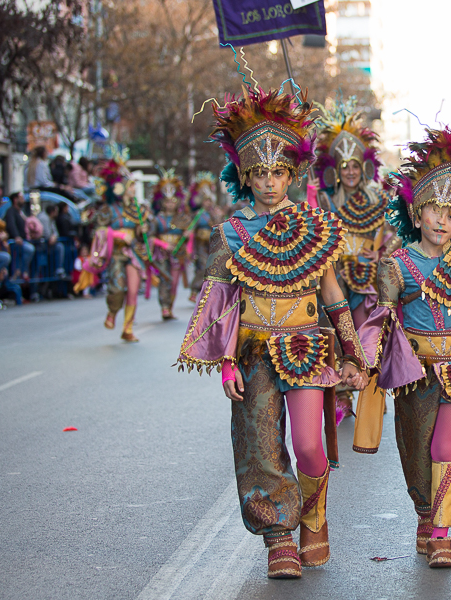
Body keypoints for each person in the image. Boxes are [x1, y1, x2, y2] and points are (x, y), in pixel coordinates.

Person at [176, 84, 368, 580]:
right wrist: (224, 364)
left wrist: (353, 355)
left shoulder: (316, 226)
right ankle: (279, 538)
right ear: (244, 175)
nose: (268, 183)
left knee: (308, 446)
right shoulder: (232, 235)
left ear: (292, 174)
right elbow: (219, 303)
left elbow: (334, 297)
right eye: (258, 173)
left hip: (306, 346)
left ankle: (312, 514)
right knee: (261, 449)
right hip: (253, 353)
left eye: (277, 172)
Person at [358, 125, 451, 568]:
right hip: (413, 374)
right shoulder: (395, 266)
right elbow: (380, 321)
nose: (443, 221)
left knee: (445, 450)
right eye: (435, 211)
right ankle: (425, 514)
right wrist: (360, 364)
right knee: (417, 457)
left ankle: (441, 535)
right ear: (417, 212)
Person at [310, 99, 392, 424]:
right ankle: (341, 395)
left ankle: (372, 388)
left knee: (367, 332)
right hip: (335, 274)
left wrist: (382, 251)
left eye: (355, 166)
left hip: (368, 276)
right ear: (336, 169)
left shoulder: (378, 198)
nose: (351, 172)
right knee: (334, 330)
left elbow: (398, 228)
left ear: (364, 166)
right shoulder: (325, 198)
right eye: (345, 167)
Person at [85, 155, 154, 342]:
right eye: (130, 185)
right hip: (115, 253)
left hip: (133, 253)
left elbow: (143, 235)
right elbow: (98, 230)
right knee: (117, 289)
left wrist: (142, 230)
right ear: (120, 187)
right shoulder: (108, 209)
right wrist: (116, 234)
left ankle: (128, 328)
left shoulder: (138, 209)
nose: (133, 189)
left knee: (132, 290)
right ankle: (112, 311)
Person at [151, 169, 191, 320]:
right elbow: (150, 237)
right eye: (167, 201)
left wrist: (187, 235)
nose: (170, 204)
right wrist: (163, 244)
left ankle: (170, 307)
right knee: (165, 279)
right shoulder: (156, 219)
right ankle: (165, 308)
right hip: (162, 253)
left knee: (174, 282)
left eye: (173, 200)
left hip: (177, 253)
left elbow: (188, 235)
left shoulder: (182, 218)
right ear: (162, 202)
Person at [187, 172, 218, 303]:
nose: (207, 203)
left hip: (211, 243)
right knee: (202, 265)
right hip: (199, 243)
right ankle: (194, 291)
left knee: (211, 266)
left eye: (209, 200)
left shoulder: (215, 212)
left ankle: (207, 292)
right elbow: (191, 229)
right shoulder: (197, 214)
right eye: (205, 200)